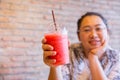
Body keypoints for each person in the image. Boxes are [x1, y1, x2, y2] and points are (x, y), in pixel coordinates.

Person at [42, 12, 120, 80]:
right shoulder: (70, 52)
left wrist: (93, 57)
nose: (93, 35)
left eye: (98, 28)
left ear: (107, 32)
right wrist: (55, 66)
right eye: (87, 30)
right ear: (78, 35)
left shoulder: (116, 57)